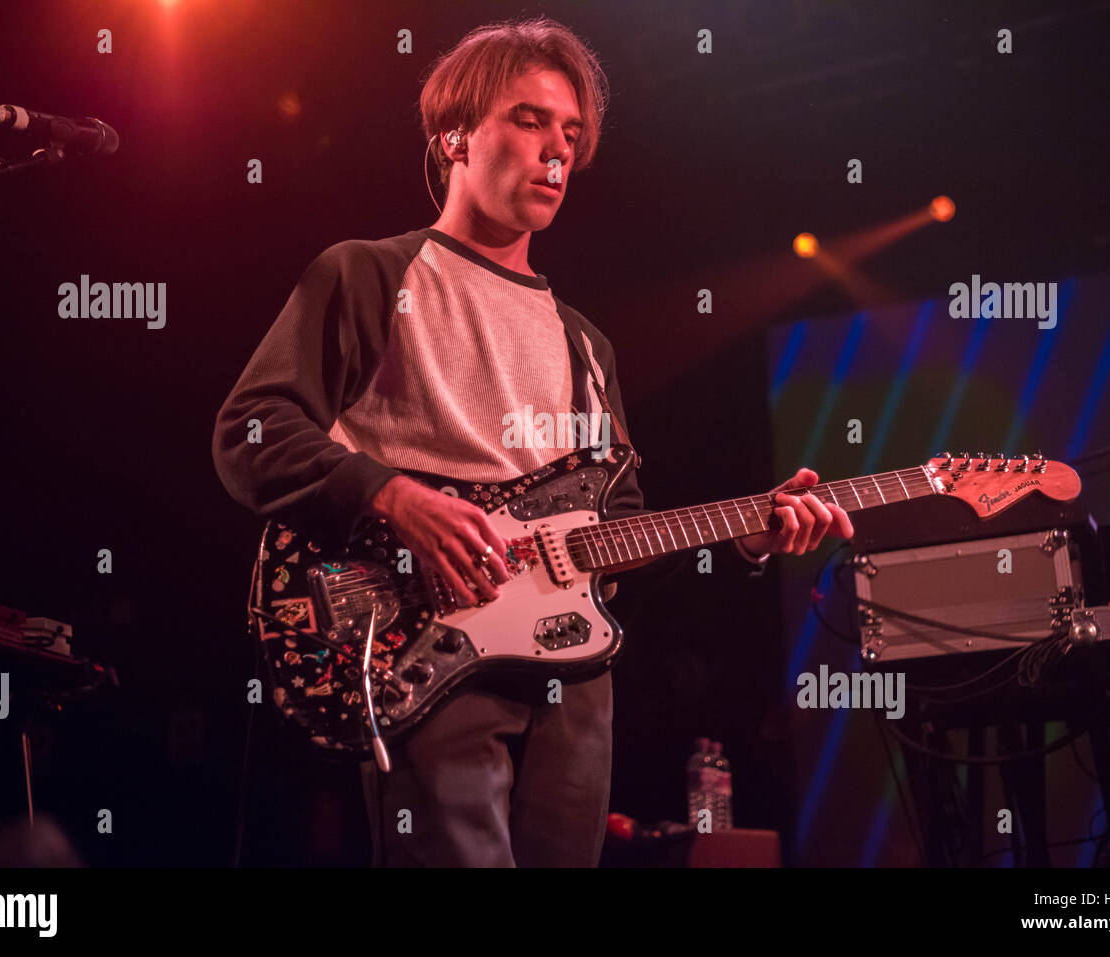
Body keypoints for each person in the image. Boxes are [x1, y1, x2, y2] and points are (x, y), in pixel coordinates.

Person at [211, 16, 853, 867]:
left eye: (572, 132)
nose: (558, 149)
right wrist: (393, 497)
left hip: (572, 682)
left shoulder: (587, 345)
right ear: (453, 137)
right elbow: (250, 432)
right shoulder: (367, 274)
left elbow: (615, 540)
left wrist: (741, 534)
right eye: (529, 119)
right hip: (423, 646)